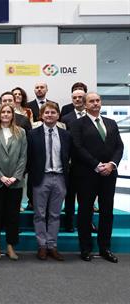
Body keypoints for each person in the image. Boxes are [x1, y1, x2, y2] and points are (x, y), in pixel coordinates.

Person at [70, 92, 123, 263]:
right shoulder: (77, 124)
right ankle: (85, 249)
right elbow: (78, 148)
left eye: (97, 100)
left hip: (109, 174)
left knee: (107, 212)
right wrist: (97, 165)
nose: (95, 104)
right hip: (87, 174)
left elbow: (119, 147)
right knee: (85, 212)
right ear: (85, 105)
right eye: (91, 101)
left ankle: (105, 248)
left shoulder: (111, 123)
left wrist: (112, 164)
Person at [27, 102, 71, 261]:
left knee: (55, 214)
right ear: (41, 115)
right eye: (47, 113)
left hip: (59, 178)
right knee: (39, 214)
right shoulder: (32, 134)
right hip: (41, 178)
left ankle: (52, 245)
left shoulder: (66, 135)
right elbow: (28, 158)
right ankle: (42, 246)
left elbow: (69, 157)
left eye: (53, 112)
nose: (50, 115)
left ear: (58, 115)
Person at [0, 104, 27, 261]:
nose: (6, 114)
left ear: (12, 115)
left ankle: (11, 246)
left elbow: (23, 157)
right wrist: (1, 177)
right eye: (3, 112)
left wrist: (15, 177)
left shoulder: (21, 132)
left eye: (8, 112)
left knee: (13, 215)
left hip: (15, 182)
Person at [60, 89, 86, 232]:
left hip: (88, 164)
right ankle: (69, 223)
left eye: (80, 97)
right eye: (75, 98)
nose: (77, 100)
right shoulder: (66, 118)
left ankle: (87, 223)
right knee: (69, 195)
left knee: (86, 197)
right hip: (71, 163)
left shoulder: (92, 117)